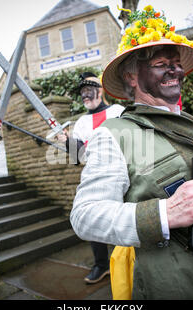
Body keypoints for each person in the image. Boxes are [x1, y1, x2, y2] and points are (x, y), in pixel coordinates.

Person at [70, 6, 193, 299]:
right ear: (132, 76)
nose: (174, 70)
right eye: (161, 63)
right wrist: (166, 213)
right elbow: (84, 216)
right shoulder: (116, 134)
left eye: (176, 63)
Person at [57, 72, 124, 284]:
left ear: (101, 89)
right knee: (94, 219)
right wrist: (68, 142)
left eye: (89, 89)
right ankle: (102, 265)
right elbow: (79, 157)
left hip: (122, 174)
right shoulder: (82, 122)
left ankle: (127, 264)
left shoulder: (118, 111)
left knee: (125, 218)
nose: (85, 95)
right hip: (94, 177)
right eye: (82, 92)